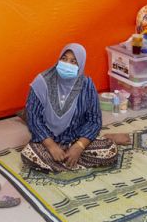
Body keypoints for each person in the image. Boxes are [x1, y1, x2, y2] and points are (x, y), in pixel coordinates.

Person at [20, 43, 118, 172]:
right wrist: (51, 146)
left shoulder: (87, 85)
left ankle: (63, 163)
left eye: (73, 61)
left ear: (80, 65)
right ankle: (71, 163)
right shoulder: (42, 81)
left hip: (76, 138)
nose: (67, 64)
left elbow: (94, 120)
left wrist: (79, 146)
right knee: (29, 154)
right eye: (64, 59)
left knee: (109, 150)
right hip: (47, 140)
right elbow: (33, 117)